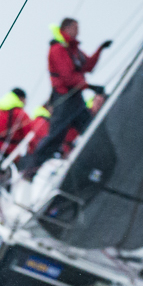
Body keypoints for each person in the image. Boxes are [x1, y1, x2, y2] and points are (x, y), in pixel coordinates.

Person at [19, 18, 110, 177]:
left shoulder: (73, 49)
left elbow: (87, 65)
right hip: (64, 98)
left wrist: (100, 49)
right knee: (55, 136)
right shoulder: (58, 49)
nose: (79, 32)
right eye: (76, 28)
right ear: (67, 28)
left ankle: (101, 167)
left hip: (76, 99)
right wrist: (90, 87)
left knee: (90, 129)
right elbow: (67, 77)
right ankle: (30, 172)